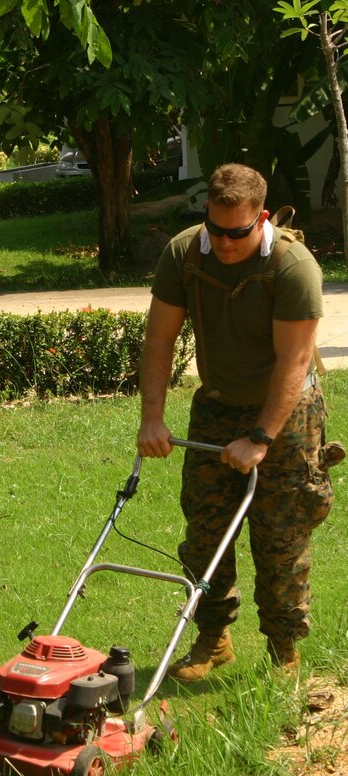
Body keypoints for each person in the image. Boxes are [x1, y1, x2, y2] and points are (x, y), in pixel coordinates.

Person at [137, 163, 336, 680]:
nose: (224, 243)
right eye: (216, 229)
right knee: (205, 532)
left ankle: (284, 652)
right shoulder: (184, 253)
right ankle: (213, 638)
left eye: (238, 232)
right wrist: (152, 418)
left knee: (280, 538)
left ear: (261, 218)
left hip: (287, 414)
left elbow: (294, 362)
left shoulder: (294, 268)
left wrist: (261, 437)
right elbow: (159, 339)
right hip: (218, 406)